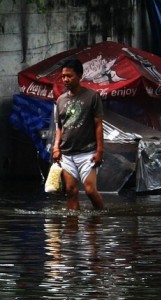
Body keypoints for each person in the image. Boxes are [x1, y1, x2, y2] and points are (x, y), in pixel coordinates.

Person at [51, 58, 105, 210]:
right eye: (63, 76)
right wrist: (56, 148)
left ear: (80, 76)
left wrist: (100, 151)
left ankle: (100, 219)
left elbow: (98, 124)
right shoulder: (61, 100)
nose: (65, 79)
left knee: (90, 190)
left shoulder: (92, 96)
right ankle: (71, 229)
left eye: (69, 76)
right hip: (67, 153)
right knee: (70, 191)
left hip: (88, 152)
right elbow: (59, 127)